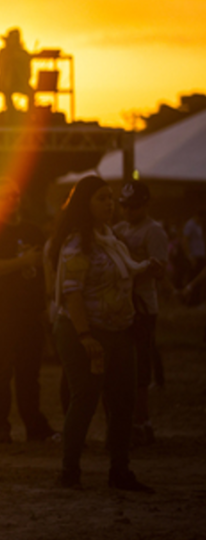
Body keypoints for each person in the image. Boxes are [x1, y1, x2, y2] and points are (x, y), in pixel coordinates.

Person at [47, 175, 154, 492]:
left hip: (118, 330)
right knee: (85, 400)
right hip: (85, 332)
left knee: (123, 401)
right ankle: (70, 472)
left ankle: (120, 471)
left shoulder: (110, 238)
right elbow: (72, 293)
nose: (110, 204)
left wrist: (147, 268)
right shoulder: (78, 243)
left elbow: (124, 275)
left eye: (111, 198)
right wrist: (85, 336)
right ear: (85, 204)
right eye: (102, 199)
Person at [0, 178, 56, 444]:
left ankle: (34, 425)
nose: (10, 200)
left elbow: (44, 270)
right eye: (4, 196)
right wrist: (22, 261)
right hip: (0, 312)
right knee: (1, 370)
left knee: (29, 373)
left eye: (14, 195)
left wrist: (45, 306)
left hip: (29, 312)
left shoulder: (33, 232)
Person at [113, 181, 169, 444]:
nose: (127, 212)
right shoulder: (119, 229)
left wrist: (135, 264)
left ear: (146, 205)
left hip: (143, 305)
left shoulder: (154, 231)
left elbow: (160, 270)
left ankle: (142, 418)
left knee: (141, 365)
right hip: (123, 304)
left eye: (133, 207)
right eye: (124, 206)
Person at [0, 28, 33, 114]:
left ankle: (29, 115)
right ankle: (11, 112)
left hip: (21, 82)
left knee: (31, 93)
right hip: (6, 82)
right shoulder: (3, 52)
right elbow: (0, 66)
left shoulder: (22, 53)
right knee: (7, 90)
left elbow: (29, 69)